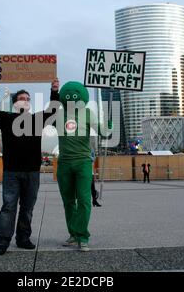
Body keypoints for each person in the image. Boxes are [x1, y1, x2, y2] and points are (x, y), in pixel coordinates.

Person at [0, 76, 60, 255]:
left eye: (27, 99)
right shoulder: (6, 119)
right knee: (8, 207)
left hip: (32, 172)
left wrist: (54, 91)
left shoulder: (37, 119)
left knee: (27, 208)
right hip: (11, 172)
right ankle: (2, 242)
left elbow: (53, 110)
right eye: (21, 98)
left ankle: (23, 238)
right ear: (14, 103)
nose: (24, 101)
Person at [55, 81, 111, 252]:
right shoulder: (57, 114)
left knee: (85, 200)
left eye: (75, 95)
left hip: (83, 162)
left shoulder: (88, 113)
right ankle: (73, 234)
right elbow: (36, 123)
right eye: (68, 95)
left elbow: (102, 132)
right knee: (68, 201)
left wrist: (108, 127)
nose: (72, 98)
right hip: (63, 163)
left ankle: (82, 236)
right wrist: (53, 91)